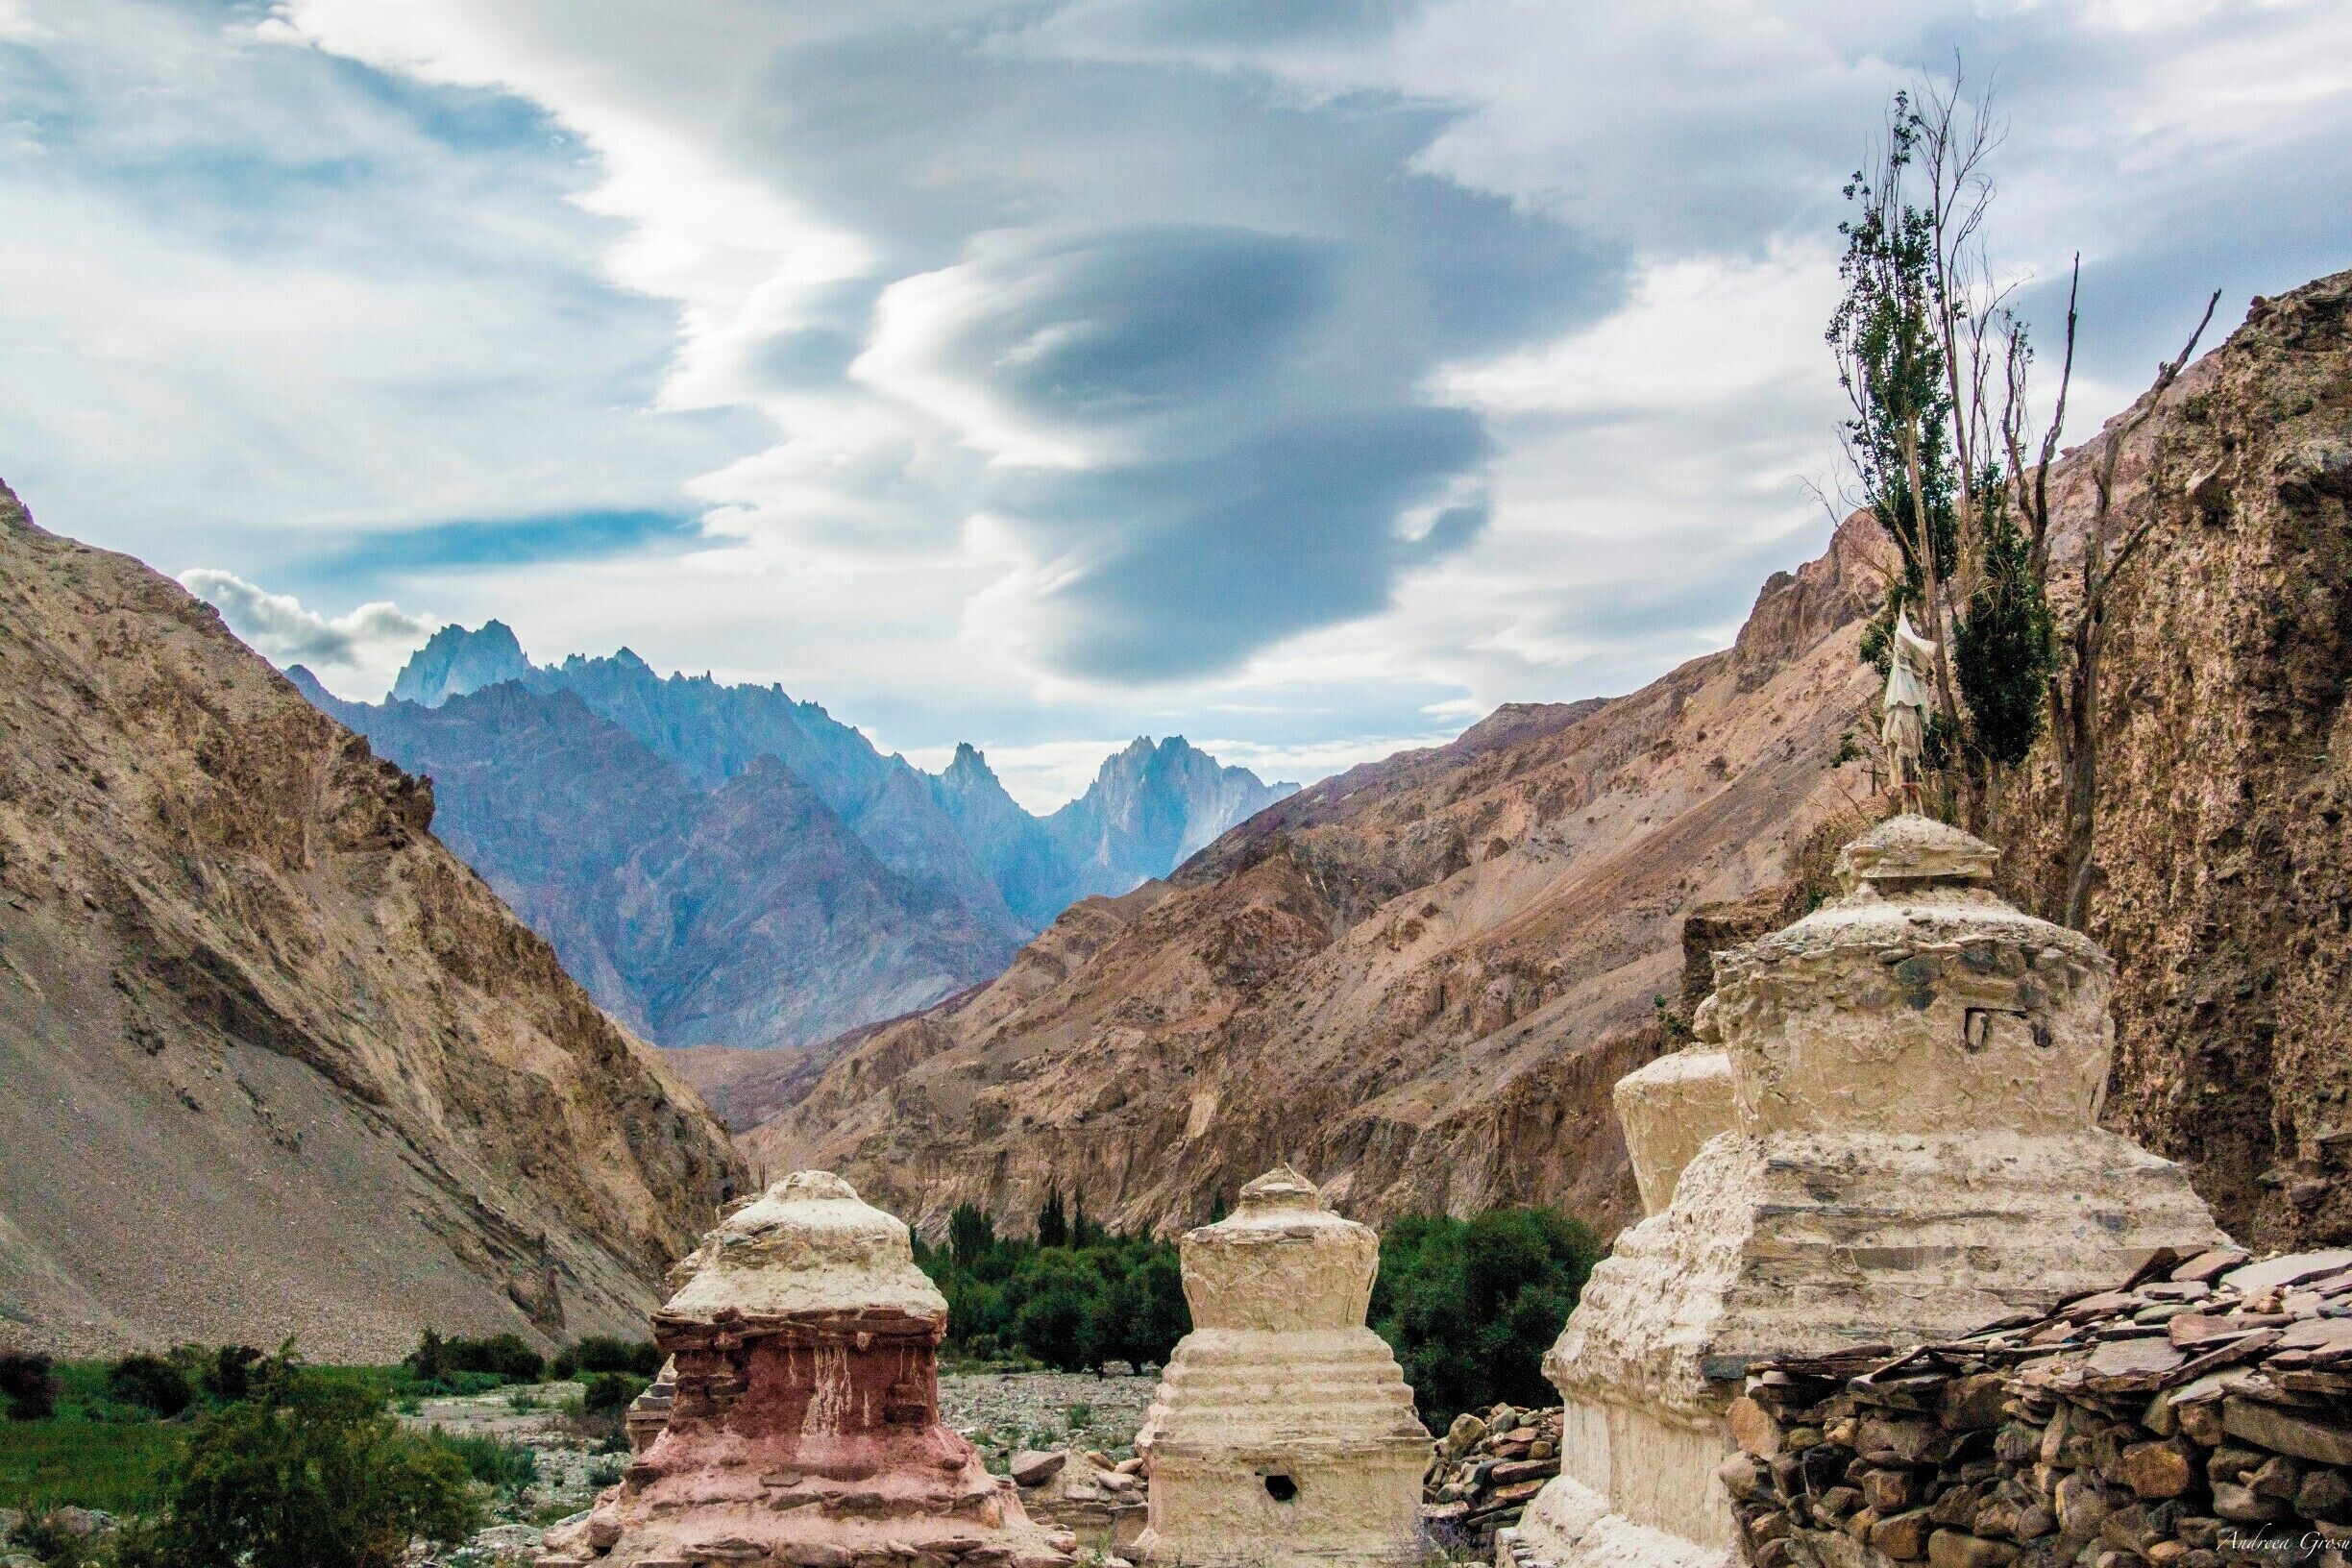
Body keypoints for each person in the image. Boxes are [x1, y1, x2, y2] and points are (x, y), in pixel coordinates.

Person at [1880, 608, 1935, 809]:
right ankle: (1909, 800)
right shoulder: (1903, 674)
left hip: (1906, 717)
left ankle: (1910, 801)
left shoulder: (1910, 675)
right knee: (1902, 754)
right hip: (1901, 715)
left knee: (1907, 756)